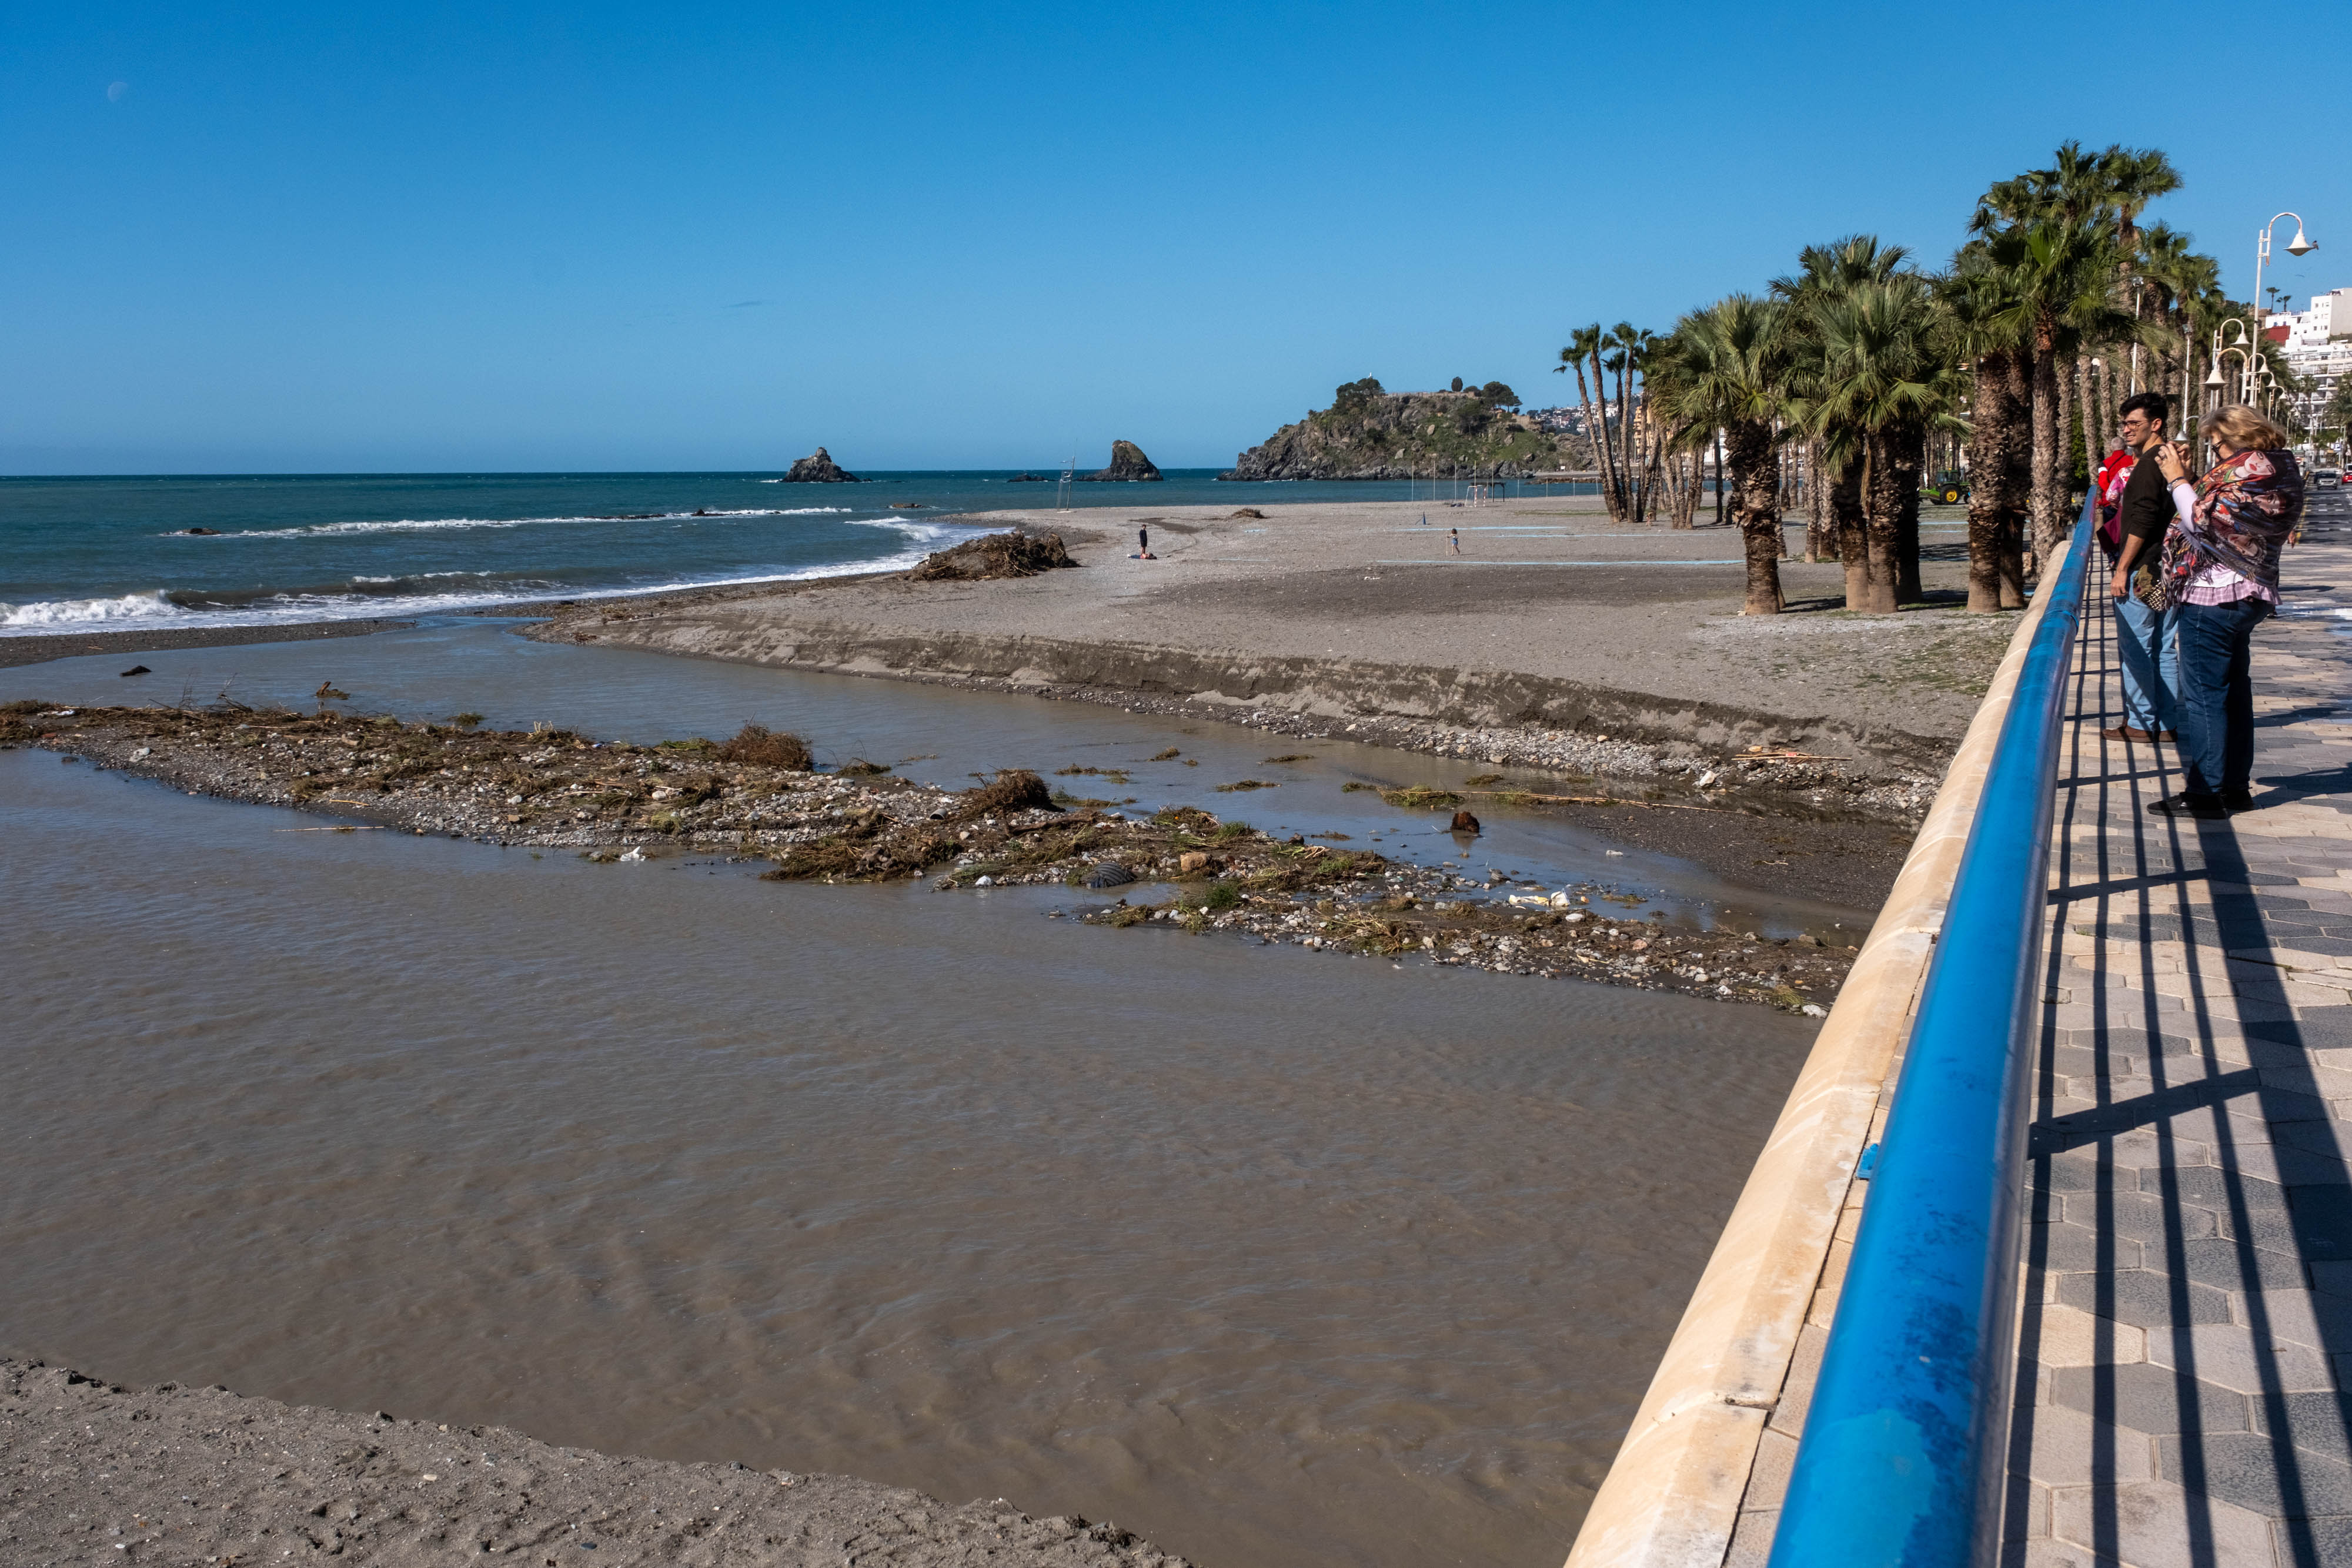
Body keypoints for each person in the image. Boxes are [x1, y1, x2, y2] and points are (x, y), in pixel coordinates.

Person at [2144, 404, 2304, 818]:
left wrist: (2178, 478)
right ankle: (2235, 787)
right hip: (2250, 593)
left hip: (2213, 596)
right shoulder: (2279, 467)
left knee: (2204, 698)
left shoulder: (2245, 471)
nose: (2217, 456)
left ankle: (2205, 793)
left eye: (2217, 446)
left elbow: (2202, 522)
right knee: (2234, 693)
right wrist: (2196, 477)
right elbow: (2224, 508)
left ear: (2237, 437)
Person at [2103, 393, 2180, 744]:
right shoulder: (2171, 459)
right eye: (2125, 424)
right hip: (2169, 567)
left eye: (2134, 423)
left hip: (2144, 568)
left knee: (2137, 646)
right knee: (2163, 646)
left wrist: (2122, 567)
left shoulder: (2150, 464)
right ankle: (2165, 724)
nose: (2127, 429)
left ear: (2156, 424)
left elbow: (2144, 518)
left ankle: (2138, 723)